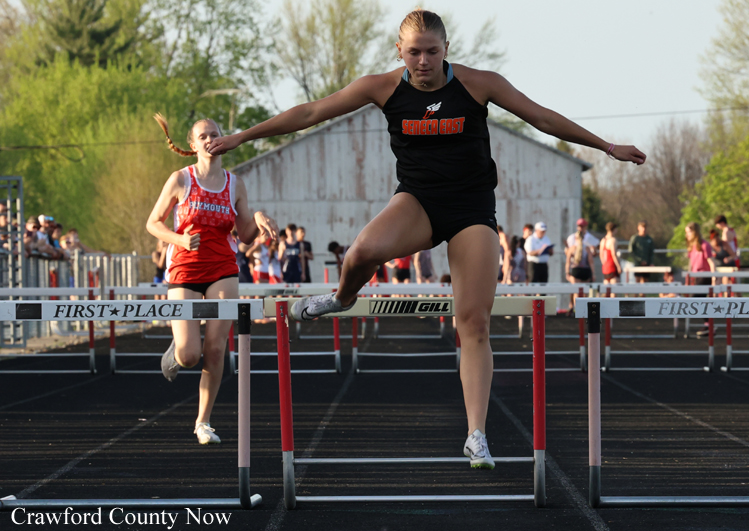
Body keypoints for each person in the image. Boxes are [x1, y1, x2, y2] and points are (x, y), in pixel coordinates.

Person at [209, 8, 645, 468]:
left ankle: (476, 434)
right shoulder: (380, 87)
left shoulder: (480, 84)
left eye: (432, 52)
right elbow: (312, 111)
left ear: (446, 50)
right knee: (362, 251)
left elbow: (542, 118)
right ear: (399, 51)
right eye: (414, 52)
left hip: (471, 211)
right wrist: (243, 136)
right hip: (417, 202)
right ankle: (340, 297)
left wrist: (607, 146)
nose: (423, 61)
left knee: (472, 322)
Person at [146, 113, 278, 445]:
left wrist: (259, 219)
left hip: (222, 268)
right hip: (185, 271)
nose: (210, 139)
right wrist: (177, 240)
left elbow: (245, 235)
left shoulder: (235, 184)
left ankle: (203, 421)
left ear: (223, 141)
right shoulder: (180, 179)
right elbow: (152, 223)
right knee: (191, 356)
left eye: (215, 134)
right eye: (203, 136)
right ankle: (178, 347)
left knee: (216, 350)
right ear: (193, 145)